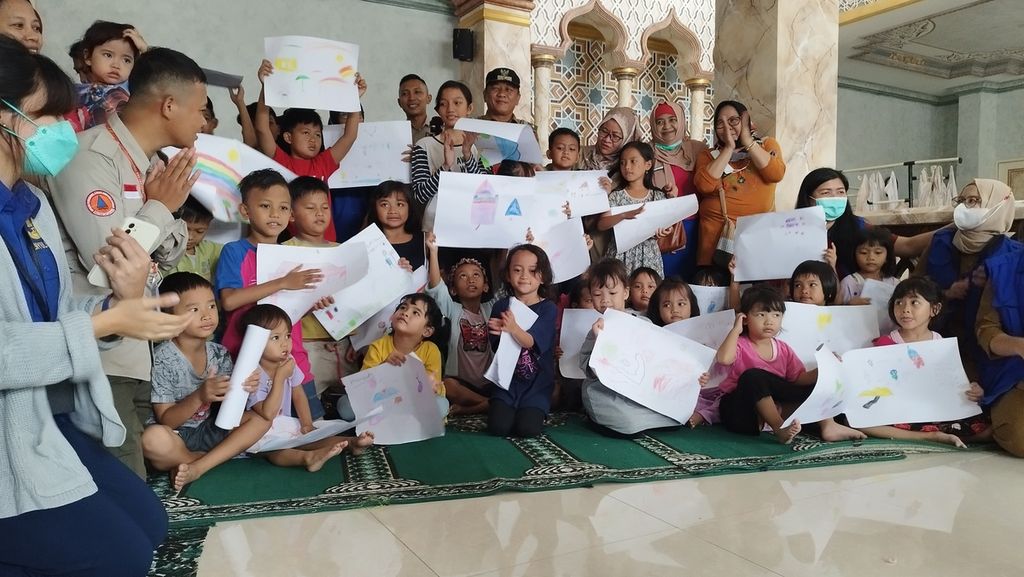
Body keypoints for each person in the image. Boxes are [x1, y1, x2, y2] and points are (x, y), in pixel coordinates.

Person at [0, 36, 192, 575]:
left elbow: (73, 299)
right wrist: (112, 309)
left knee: (148, 525)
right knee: (121, 555)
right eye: (48, 116)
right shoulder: (91, 159)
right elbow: (111, 251)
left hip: (49, 404)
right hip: (21, 417)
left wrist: (118, 304)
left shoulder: (28, 204)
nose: (63, 130)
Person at [51, 46, 207, 477]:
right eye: (200, 108)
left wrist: (156, 214)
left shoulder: (155, 165)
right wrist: (158, 209)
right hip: (99, 352)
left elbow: (174, 247)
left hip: (137, 352)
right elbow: (110, 267)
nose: (203, 121)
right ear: (169, 105)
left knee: (132, 482)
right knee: (122, 483)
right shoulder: (90, 156)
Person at [141, 273, 271, 491]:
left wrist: (245, 388)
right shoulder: (162, 358)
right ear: (170, 317)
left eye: (211, 306)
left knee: (261, 419)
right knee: (152, 439)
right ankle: (199, 458)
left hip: (210, 427)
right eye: (194, 309)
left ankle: (197, 467)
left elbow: (229, 408)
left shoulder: (219, 353)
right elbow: (167, 421)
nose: (206, 315)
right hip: (177, 436)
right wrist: (200, 395)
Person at [215, 169, 324, 419]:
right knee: (255, 435)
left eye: (284, 208)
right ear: (245, 211)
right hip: (244, 362)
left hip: (292, 358)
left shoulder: (293, 255)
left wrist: (311, 304)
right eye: (265, 206)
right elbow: (229, 301)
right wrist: (283, 282)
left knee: (309, 428)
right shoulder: (235, 252)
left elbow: (288, 311)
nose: (276, 214)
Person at [715, 285, 866, 444]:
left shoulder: (783, 348)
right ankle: (778, 428)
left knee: (819, 384)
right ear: (745, 319)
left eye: (776, 315)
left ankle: (829, 426)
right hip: (743, 412)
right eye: (761, 314)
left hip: (779, 407)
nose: (769, 321)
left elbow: (798, 378)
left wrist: (825, 367)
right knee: (752, 376)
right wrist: (735, 330)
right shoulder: (740, 343)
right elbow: (724, 359)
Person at [581, 259, 710, 436]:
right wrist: (599, 339)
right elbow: (589, 369)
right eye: (597, 294)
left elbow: (662, 363)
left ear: (625, 292)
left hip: (637, 392)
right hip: (606, 394)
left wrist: (695, 374)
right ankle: (604, 420)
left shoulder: (643, 324)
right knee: (627, 423)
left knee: (673, 419)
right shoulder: (595, 330)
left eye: (612, 292)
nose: (605, 300)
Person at [856, 277, 988, 447]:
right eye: (899, 303)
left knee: (988, 427)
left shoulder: (941, 344)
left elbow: (951, 381)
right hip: (899, 410)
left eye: (914, 303)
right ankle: (931, 436)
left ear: (935, 309)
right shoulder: (884, 344)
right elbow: (873, 385)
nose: (905, 310)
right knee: (859, 421)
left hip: (934, 407)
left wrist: (971, 389)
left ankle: (946, 434)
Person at [243, 304, 373, 468]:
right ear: (254, 342)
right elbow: (267, 413)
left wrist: (307, 424)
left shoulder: (289, 361)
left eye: (288, 336)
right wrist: (280, 377)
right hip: (259, 431)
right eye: (276, 338)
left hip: (285, 424)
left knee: (313, 436)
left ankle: (352, 443)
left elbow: (298, 393)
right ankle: (307, 459)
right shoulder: (253, 373)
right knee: (276, 451)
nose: (285, 343)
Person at [916, 179, 1021, 380]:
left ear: (999, 204)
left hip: (989, 352)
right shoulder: (940, 242)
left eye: (974, 200)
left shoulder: (1013, 255)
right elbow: (912, 286)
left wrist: (992, 284)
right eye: (962, 200)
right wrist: (944, 293)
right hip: (935, 341)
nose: (965, 207)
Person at [255, 58, 366, 242]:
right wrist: (266, 87)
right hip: (293, 245)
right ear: (288, 137)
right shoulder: (282, 162)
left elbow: (349, 136)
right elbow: (261, 129)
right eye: (306, 133)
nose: (313, 139)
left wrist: (354, 99)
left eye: (317, 134)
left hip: (328, 244)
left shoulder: (323, 163)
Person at [795, 168, 936, 280]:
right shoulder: (793, 229)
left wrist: (953, 227)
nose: (835, 198)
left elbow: (907, 245)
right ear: (809, 198)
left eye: (840, 192)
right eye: (826, 193)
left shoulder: (859, 227)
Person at [694, 100, 785, 268]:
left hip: (758, 245)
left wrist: (748, 141)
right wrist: (728, 148)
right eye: (720, 123)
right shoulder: (708, 156)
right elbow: (704, 185)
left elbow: (776, 173)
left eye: (734, 121)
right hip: (715, 248)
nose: (727, 127)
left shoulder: (767, 145)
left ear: (748, 123)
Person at [281, 176, 346, 397]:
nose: (320, 213)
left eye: (325, 207)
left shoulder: (344, 250)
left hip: (345, 344)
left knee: (352, 405)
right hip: (307, 345)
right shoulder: (283, 251)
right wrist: (308, 305)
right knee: (310, 405)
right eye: (310, 207)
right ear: (291, 214)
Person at [487, 245, 557, 437]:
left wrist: (512, 329)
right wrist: (499, 332)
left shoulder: (548, 308)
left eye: (533, 271)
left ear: (543, 276)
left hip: (537, 386)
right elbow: (495, 346)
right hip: (506, 383)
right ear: (508, 275)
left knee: (527, 429)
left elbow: (531, 342)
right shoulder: (501, 306)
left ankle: (538, 410)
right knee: (498, 427)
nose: (524, 276)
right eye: (517, 270)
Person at [425, 233, 496, 415]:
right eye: (462, 276)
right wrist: (433, 252)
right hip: (462, 384)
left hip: (490, 381)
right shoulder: (453, 310)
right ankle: (489, 404)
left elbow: (505, 280)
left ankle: (473, 408)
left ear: (486, 286)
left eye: (476, 275)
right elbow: (436, 288)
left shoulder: (491, 308)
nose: (470, 280)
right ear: (453, 289)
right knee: (447, 385)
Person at [409, 80, 486, 231]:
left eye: (457, 103)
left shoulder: (479, 146)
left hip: (473, 227)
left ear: (469, 108)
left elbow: (485, 191)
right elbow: (419, 196)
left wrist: (467, 155)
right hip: (436, 230)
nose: (450, 109)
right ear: (438, 110)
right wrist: (445, 167)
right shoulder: (424, 145)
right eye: (444, 104)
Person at [361, 293, 449, 420]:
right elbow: (363, 385)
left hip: (417, 401)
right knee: (346, 406)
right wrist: (383, 367)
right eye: (403, 307)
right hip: (385, 400)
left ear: (427, 331)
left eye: (416, 312)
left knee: (441, 405)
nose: (405, 313)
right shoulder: (377, 346)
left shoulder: (431, 350)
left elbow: (432, 387)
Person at [975, 239, 1024, 456]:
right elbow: (986, 329)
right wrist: (1018, 345)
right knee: (1019, 437)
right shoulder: (1004, 269)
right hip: (1014, 371)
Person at [597, 142, 675, 277]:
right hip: (620, 255)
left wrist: (666, 230)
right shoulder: (616, 195)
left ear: (648, 165)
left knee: (647, 294)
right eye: (622, 163)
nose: (627, 167)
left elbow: (668, 226)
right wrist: (623, 215)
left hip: (649, 255)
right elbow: (602, 224)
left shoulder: (658, 196)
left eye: (633, 161)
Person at [649, 101, 707, 279]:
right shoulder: (647, 153)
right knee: (666, 283)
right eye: (660, 122)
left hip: (697, 229)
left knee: (694, 283)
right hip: (664, 231)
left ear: (681, 121)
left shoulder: (697, 150)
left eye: (672, 119)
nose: (667, 126)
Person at [65, 21, 147, 132]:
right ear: (88, 57)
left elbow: (156, 77)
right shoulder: (73, 91)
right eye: (108, 55)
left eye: (126, 60)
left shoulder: (133, 89)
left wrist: (146, 52)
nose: (116, 65)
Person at [160, 196, 221, 282]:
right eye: (185, 229)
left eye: (200, 231)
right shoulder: (165, 251)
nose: (190, 237)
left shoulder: (210, 249)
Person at [367, 180, 425, 270]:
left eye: (400, 204)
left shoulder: (424, 241)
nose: (393, 211)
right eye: (385, 205)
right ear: (375, 208)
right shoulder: (366, 245)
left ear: (409, 208)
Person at [839, 226, 899, 305]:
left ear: (887, 257)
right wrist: (849, 305)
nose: (871, 257)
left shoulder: (894, 283)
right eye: (864, 252)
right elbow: (835, 312)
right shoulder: (848, 283)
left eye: (878, 252)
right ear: (854, 255)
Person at [398, 74, 433, 143]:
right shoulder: (397, 134)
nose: (411, 98)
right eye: (405, 94)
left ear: (428, 98)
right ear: (399, 103)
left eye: (417, 92)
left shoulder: (441, 130)